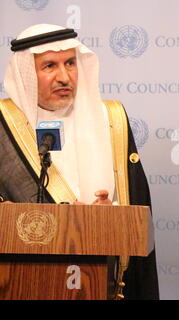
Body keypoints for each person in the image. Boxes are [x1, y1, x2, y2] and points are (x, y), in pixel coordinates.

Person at [0, 24, 159, 300]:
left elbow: (135, 198)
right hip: (24, 280)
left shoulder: (111, 118)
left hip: (101, 276)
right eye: (49, 66)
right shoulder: (4, 124)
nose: (65, 77)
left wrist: (109, 213)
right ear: (26, 73)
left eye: (71, 63)